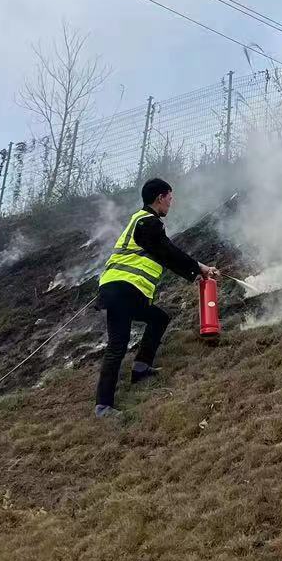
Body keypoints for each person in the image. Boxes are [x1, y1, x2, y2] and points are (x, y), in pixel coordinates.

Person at [94, 177, 218, 418]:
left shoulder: (143, 223)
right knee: (117, 345)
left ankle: (141, 368)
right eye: (169, 198)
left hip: (123, 289)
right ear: (160, 198)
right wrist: (200, 268)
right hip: (123, 289)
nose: (171, 203)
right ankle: (103, 406)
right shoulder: (148, 222)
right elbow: (168, 252)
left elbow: (163, 255)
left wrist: (197, 271)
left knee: (159, 318)